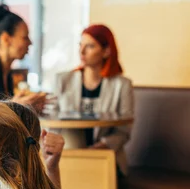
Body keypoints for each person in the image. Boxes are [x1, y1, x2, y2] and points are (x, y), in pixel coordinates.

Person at [54, 24, 134, 175]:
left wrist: (96, 150)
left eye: (90, 46)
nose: (82, 51)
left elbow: (124, 130)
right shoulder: (62, 80)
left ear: (106, 51)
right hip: (70, 154)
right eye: (80, 45)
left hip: (106, 157)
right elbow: (53, 122)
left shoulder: (122, 85)